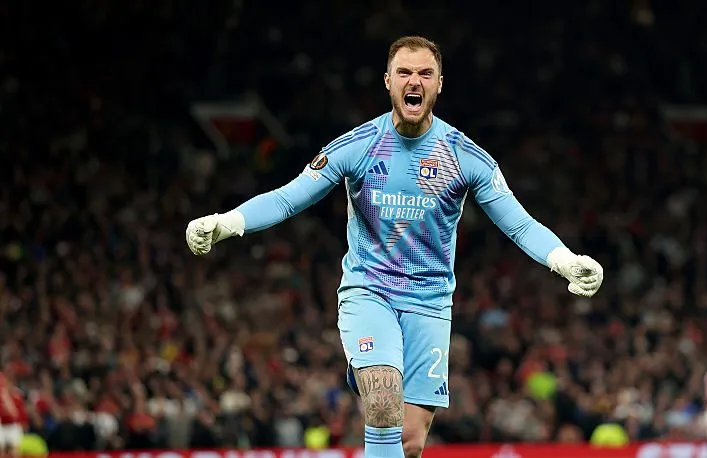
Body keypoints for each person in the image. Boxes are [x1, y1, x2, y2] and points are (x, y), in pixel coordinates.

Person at [185, 36, 604, 458]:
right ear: (388, 82)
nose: (414, 81)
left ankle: (378, 402)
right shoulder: (358, 146)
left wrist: (566, 262)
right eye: (404, 72)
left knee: (409, 440)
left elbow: (519, 224)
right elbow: (286, 197)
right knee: (383, 400)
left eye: (425, 73)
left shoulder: (464, 157)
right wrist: (226, 223)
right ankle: (373, 371)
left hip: (430, 304)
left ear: (440, 85)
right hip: (370, 292)